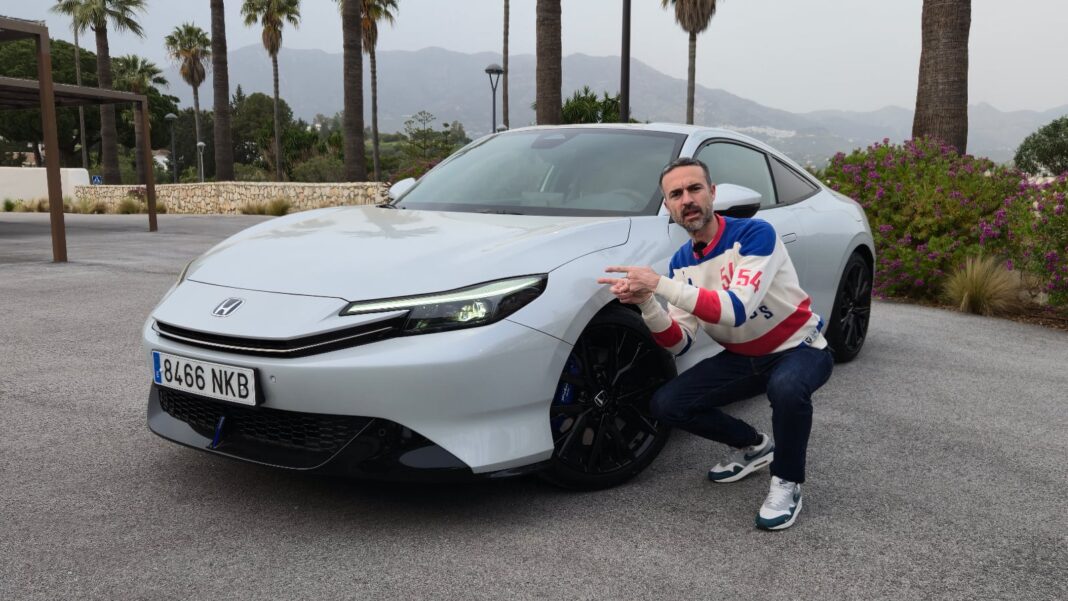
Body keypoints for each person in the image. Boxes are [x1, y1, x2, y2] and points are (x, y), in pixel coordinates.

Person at [597, 156, 833, 530]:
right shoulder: (680, 263)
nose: (687, 199)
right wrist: (646, 303)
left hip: (799, 348)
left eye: (694, 189)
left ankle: (787, 481)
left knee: (787, 389)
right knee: (667, 404)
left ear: (712, 193)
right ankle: (753, 446)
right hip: (744, 358)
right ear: (668, 206)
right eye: (676, 194)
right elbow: (679, 342)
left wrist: (658, 283)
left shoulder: (755, 235)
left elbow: (736, 310)